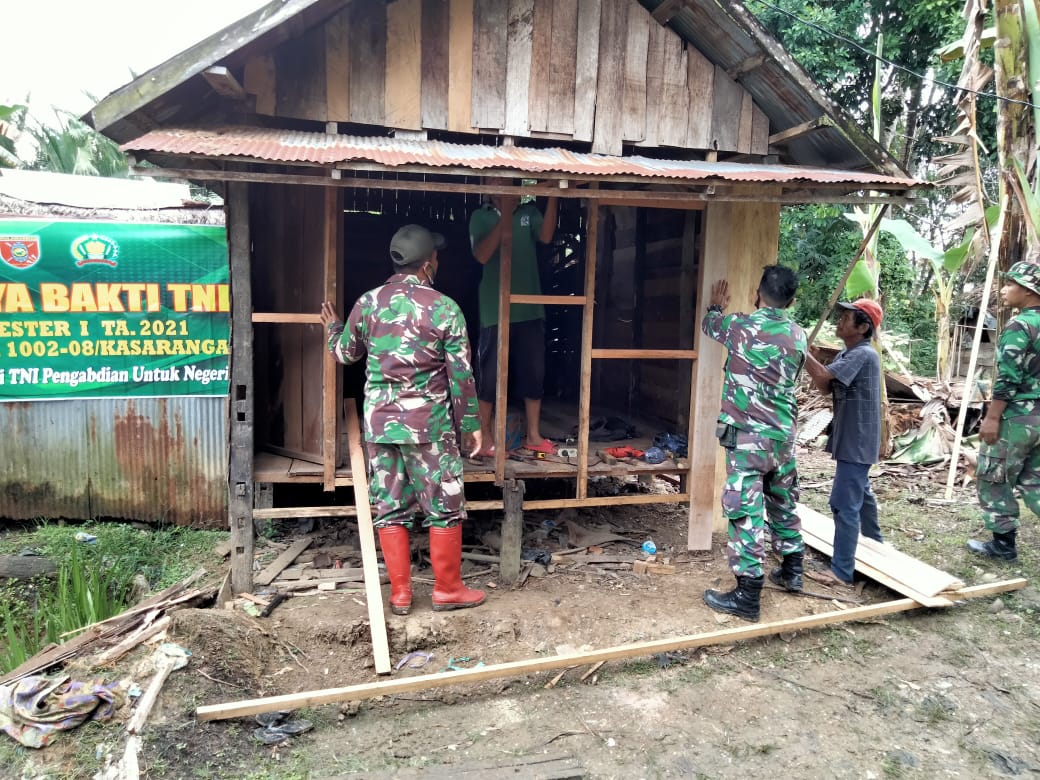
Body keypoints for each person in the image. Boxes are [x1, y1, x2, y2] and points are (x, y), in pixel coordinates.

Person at [320, 224, 486, 614]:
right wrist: (472, 424)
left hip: (380, 425)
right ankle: (446, 590)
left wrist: (331, 327)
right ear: (429, 263)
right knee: (444, 505)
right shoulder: (445, 308)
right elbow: (461, 374)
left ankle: (400, 594)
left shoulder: (369, 302)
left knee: (390, 506)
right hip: (429, 426)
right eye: (438, 258)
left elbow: (345, 355)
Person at [701, 266, 808, 622]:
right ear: (792, 301)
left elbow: (709, 326)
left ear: (757, 293)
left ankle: (747, 595)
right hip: (783, 438)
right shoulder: (798, 335)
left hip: (748, 439)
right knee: (782, 500)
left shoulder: (739, 326)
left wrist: (715, 307)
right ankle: (792, 570)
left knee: (745, 511)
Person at [469, 178, 559, 455]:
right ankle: (483, 439)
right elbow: (482, 255)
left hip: (529, 307)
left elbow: (545, 236)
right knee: (489, 375)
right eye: (503, 181)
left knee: (534, 373)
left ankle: (533, 435)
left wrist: (554, 194)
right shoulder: (480, 217)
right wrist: (506, 213)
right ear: (491, 186)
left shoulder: (529, 213)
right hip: (495, 311)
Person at [803, 298, 885, 586]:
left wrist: (803, 354)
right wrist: (810, 360)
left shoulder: (864, 354)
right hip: (852, 436)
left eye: (846, 318)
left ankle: (841, 571)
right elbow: (826, 386)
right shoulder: (848, 353)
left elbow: (823, 375)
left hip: (857, 438)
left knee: (843, 503)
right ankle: (876, 546)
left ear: (863, 327)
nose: (839, 321)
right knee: (861, 493)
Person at [967, 260, 1040, 563]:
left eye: (1011, 284)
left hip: (1016, 418)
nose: (1005, 289)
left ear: (1028, 290)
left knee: (993, 476)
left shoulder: (1020, 325)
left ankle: (1003, 545)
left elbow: (1008, 378)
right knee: (1035, 480)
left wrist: (993, 417)